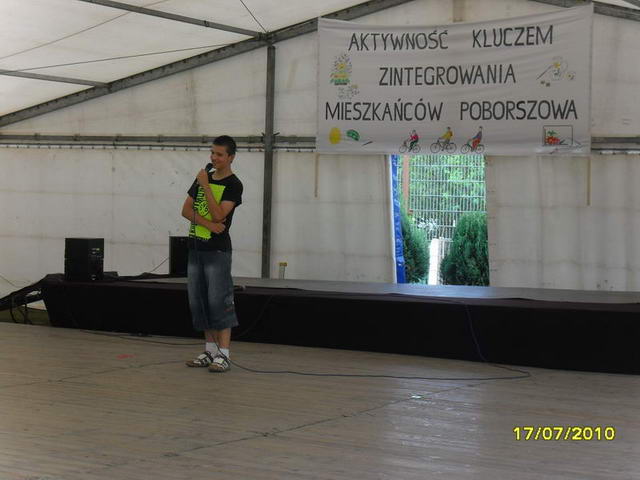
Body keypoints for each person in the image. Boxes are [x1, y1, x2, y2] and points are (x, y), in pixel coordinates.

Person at [181, 135, 243, 373]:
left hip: (217, 251)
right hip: (196, 247)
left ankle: (224, 353)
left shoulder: (233, 184)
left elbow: (219, 214)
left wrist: (206, 186)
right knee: (200, 300)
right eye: (212, 153)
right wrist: (208, 225)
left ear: (231, 157)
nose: (214, 158)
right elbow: (186, 210)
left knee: (219, 300)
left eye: (219, 154)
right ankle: (209, 350)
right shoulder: (202, 178)